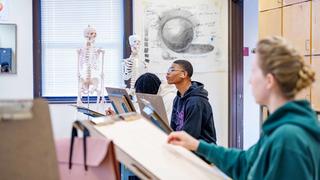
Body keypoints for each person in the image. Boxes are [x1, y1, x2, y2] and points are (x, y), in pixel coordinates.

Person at [167, 36, 320, 179]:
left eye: (253, 72)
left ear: (269, 81)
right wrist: (197, 145)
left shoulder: (288, 139)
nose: (250, 80)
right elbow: (245, 163)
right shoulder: (279, 129)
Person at [166, 60, 216, 144]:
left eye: (172, 70)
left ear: (184, 74)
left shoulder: (196, 101)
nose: (167, 73)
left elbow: (190, 135)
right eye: (168, 70)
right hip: (183, 147)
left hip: (200, 152)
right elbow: (173, 128)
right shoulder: (177, 98)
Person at [106, 72, 176, 123]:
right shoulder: (150, 99)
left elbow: (166, 124)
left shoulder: (169, 98)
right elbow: (141, 115)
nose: (140, 97)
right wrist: (116, 116)